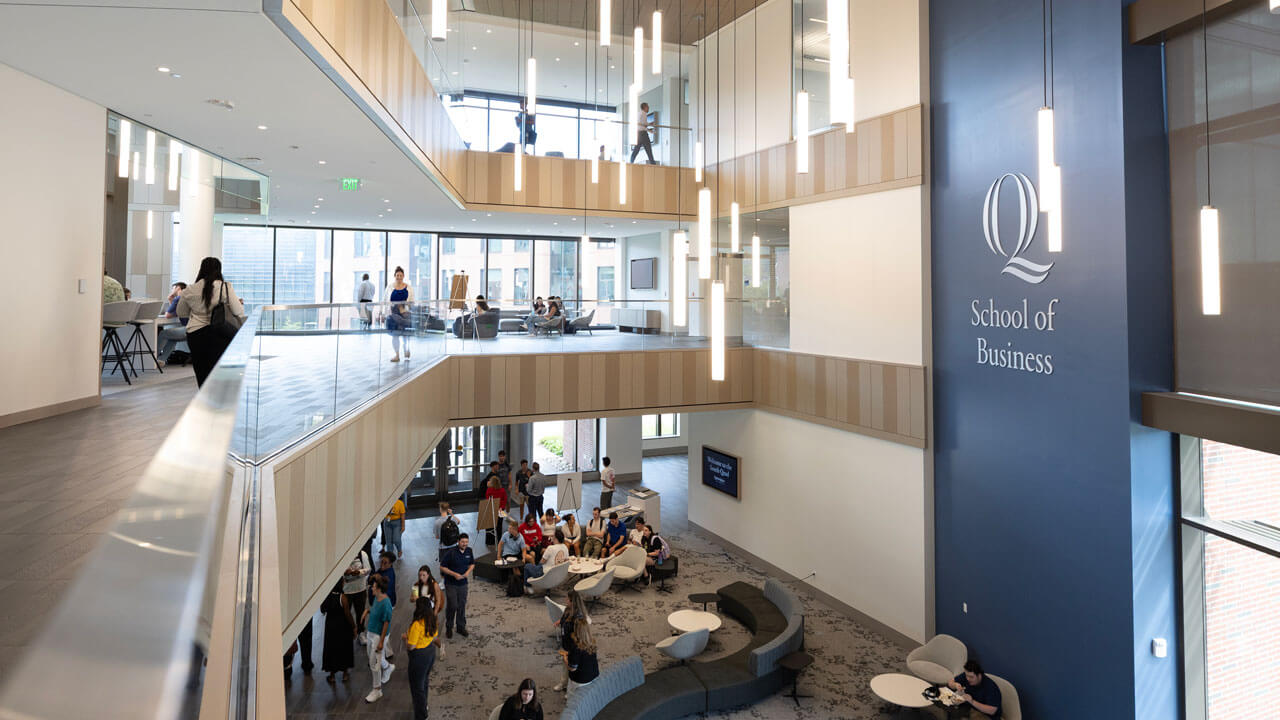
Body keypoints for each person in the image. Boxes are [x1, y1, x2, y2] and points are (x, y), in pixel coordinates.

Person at [177, 257, 247, 386]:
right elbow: (238, 311)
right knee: (219, 370)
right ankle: (219, 401)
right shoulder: (225, 286)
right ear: (218, 270)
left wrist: (197, 312)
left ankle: (204, 401)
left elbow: (181, 312)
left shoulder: (189, 289)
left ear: (201, 270)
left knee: (201, 371)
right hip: (218, 333)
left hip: (195, 334)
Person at [402, 596, 439, 720]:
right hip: (430, 652)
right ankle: (425, 705)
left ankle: (422, 715)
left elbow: (411, 646)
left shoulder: (417, 624)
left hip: (419, 657)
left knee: (417, 688)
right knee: (424, 681)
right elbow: (434, 638)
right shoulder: (433, 619)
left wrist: (406, 639)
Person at [360, 574, 395, 703]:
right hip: (370, 632)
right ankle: (388, 667)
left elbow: (386, 622)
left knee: (374, 664)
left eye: (373, 587)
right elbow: (374, 609)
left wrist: (381, 642)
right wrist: (367, 611)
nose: (372, 589)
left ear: (379, 589)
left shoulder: (386, 603)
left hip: (378, 636)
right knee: (372, 658)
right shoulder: (376, 598)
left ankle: (377, 690)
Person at [935, 660, 1003, 720]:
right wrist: (955, 685)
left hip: (986, 715)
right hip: (969, 708)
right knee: (942, 704)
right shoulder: (967, 675)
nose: (968, 679)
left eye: (971, 677)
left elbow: (992, 711)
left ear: (979, 675)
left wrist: (972, 701)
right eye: (967, 675)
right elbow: (950, 683)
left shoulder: (991, 687)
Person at [439, 533, 474, 638]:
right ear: (458, 541)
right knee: (453, 605)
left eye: (466, 542)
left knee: (462, 605)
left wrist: (468, 572)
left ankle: (460, 627)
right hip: (451, 583)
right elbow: (442, 567)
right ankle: (449, 627)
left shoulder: (469, 551)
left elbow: (472, 563)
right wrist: (454, 574)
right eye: (463, 542)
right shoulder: (451, 553)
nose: (465, 544)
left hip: (463, 583)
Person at [320, 581, 356, 683]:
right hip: (342, 626)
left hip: (330, 627)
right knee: (344, 648)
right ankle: (345, 674)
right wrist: (354, 626)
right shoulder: (342, 597)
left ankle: (332, 676)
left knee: (331, 649)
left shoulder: (327, 596)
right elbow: (348, 614)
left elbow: (322, 610)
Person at [561, 608, 600, 694]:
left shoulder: (576, 647)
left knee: (572, 699)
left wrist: (565, 658)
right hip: (594, 676)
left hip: (580, 681)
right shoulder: (592, 641)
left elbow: (572, 668)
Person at [342, 549, 372, 645]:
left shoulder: (362, 554)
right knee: (345, 614)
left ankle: (361, 633)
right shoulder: (342, 555)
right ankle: (347, 633)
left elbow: (368, 569)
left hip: (360, 589)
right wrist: (346, 573)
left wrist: (357, 572)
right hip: (346, 591)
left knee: (360, 612)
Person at [385, 266, 414, 362]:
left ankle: (406, 350)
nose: (399, 277)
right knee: (395, 335)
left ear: (403, 276)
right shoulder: (390, 287)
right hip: (393, 315)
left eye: (401, 275)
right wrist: (384, 313)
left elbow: (412, 302)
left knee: (405, 334)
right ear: (394, 276)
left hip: (405, 313)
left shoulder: (408, 287)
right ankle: (397, 355)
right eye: (397, 275)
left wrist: (408, 308)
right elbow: (386, 300)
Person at [157, 281, 189, 365]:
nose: (171, 291)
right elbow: (176, 312)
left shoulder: (178, 298)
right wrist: (171, 300)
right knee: (172, 336)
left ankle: (152, 357)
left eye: (173, 289)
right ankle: (161, 360)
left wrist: (170, 297)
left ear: (178, 288)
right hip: (196, 329)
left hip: (188, 329)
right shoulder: (187, 297)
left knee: (163, 333)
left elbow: (168, 315)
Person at [382, 495, 406, 559]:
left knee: (396, 539)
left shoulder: (400, 503)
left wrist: (403, 526)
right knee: (388, 542)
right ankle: (390, 558)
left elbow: (403, 515)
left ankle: (399, 550)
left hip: (397, 523)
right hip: (387, 523)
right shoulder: (385, 502)